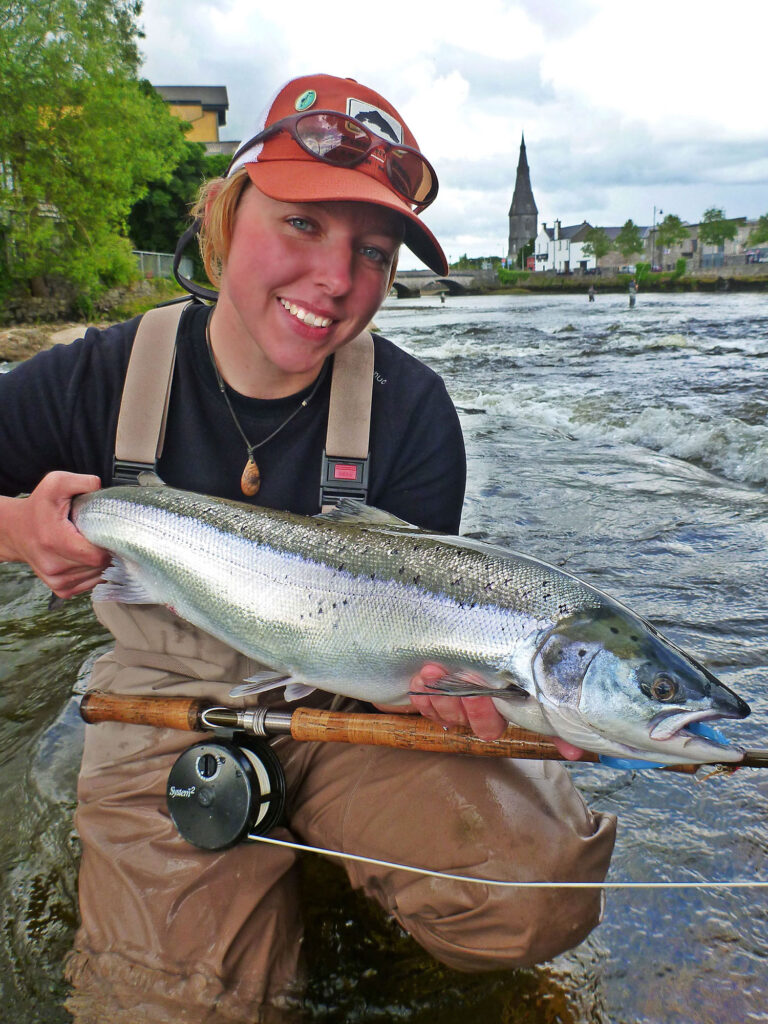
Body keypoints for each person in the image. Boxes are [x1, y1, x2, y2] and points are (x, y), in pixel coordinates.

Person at [0, 74, 615, 1023]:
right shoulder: (99, 375)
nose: (337, 279)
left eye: (372, 250)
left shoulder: (412, 416)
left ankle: (326, 860)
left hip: (349, 699)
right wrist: (17, 528)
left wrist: (468, 697)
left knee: (535, 888)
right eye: (301, 226)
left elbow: (422, 644)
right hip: (163, 708)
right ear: (225, 214)